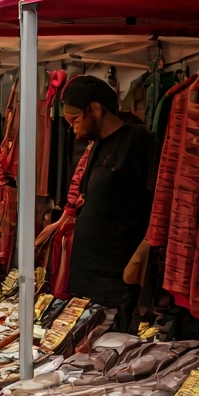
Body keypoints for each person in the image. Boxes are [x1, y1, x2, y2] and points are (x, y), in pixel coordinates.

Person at [58, 75, 153, 325]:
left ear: (97, 109)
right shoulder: (97, 145)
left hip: (116, 278)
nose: (73, 127)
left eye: (76, 119)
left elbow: (158, 203)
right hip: (86, 277)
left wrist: (142, 254)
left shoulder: (137, 140)